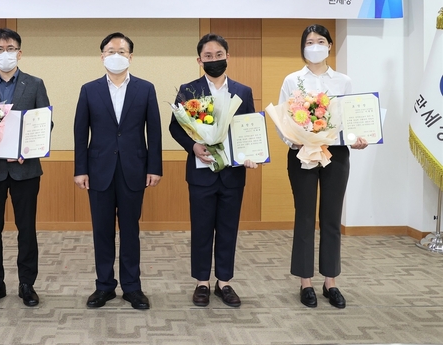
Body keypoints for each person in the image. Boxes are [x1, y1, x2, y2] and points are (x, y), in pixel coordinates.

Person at [278, 24, 368, 309]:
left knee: (331, 217)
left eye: (320, 41)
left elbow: (351, 117)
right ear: (303, 47)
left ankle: (331, 282)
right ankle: (305, 282)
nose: (314, 46)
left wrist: (357, 138)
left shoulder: (343, 81)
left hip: (336, 154)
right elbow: (283, 119)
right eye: (309, 42)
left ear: (329, 45)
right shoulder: (292, 80)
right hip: (302, 153)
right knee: (304, 216)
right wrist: (292, 140)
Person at [73, 32, 163, 310]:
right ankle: (104, 286)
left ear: (131, 57)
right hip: (98, 170)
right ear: (102, 56)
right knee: (101, 230)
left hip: (134, 169)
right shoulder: (89, 90)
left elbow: (155, 131)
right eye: (110, 51)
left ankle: (132, 287)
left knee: (130, 230)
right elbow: (80, 132)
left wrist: (154, 167)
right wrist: (80, 169)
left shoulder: (145, 89)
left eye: (121, 51)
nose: (116, 56)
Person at [169, 33, 257, 307]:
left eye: (219, 55)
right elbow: (175, 127)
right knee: (202, 229)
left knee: (228, 229)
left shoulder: (242, 92)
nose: (214, 59)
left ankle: (224, 282)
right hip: (201, 172)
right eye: (208, 56)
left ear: (227, 56)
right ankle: (202, 282)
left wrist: (251, 155)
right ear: (199, 60)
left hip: (233, 174)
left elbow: (249, 128)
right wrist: (192, 146)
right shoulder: (189, 90)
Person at [0, 28, 50, 308]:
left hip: (25, 171)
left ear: (20, 52)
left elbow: (44, 123)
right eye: (0, 49)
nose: (6, 54)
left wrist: (29, 150)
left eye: (11, 48)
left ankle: (27, 284)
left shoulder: (35, 84)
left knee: (26, 228)